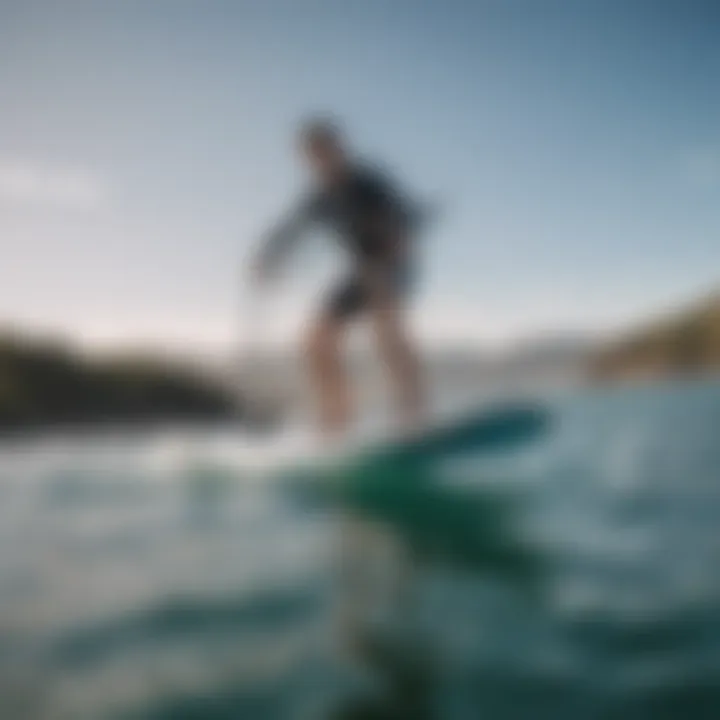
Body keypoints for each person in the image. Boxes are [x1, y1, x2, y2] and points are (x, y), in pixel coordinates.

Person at [253, 118, 426, 438]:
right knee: (315, 341)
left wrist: (397, 238)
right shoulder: (318, 198)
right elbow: (289, 231)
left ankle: (413, 415)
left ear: (340, 149)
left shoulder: (369, 183)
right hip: (360, 272)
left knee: (386, 330)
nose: (322, 161)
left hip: (393, 267)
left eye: (327, 151)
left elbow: (404, 219)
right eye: (313, 156)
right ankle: (338, 420)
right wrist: (267, 258)